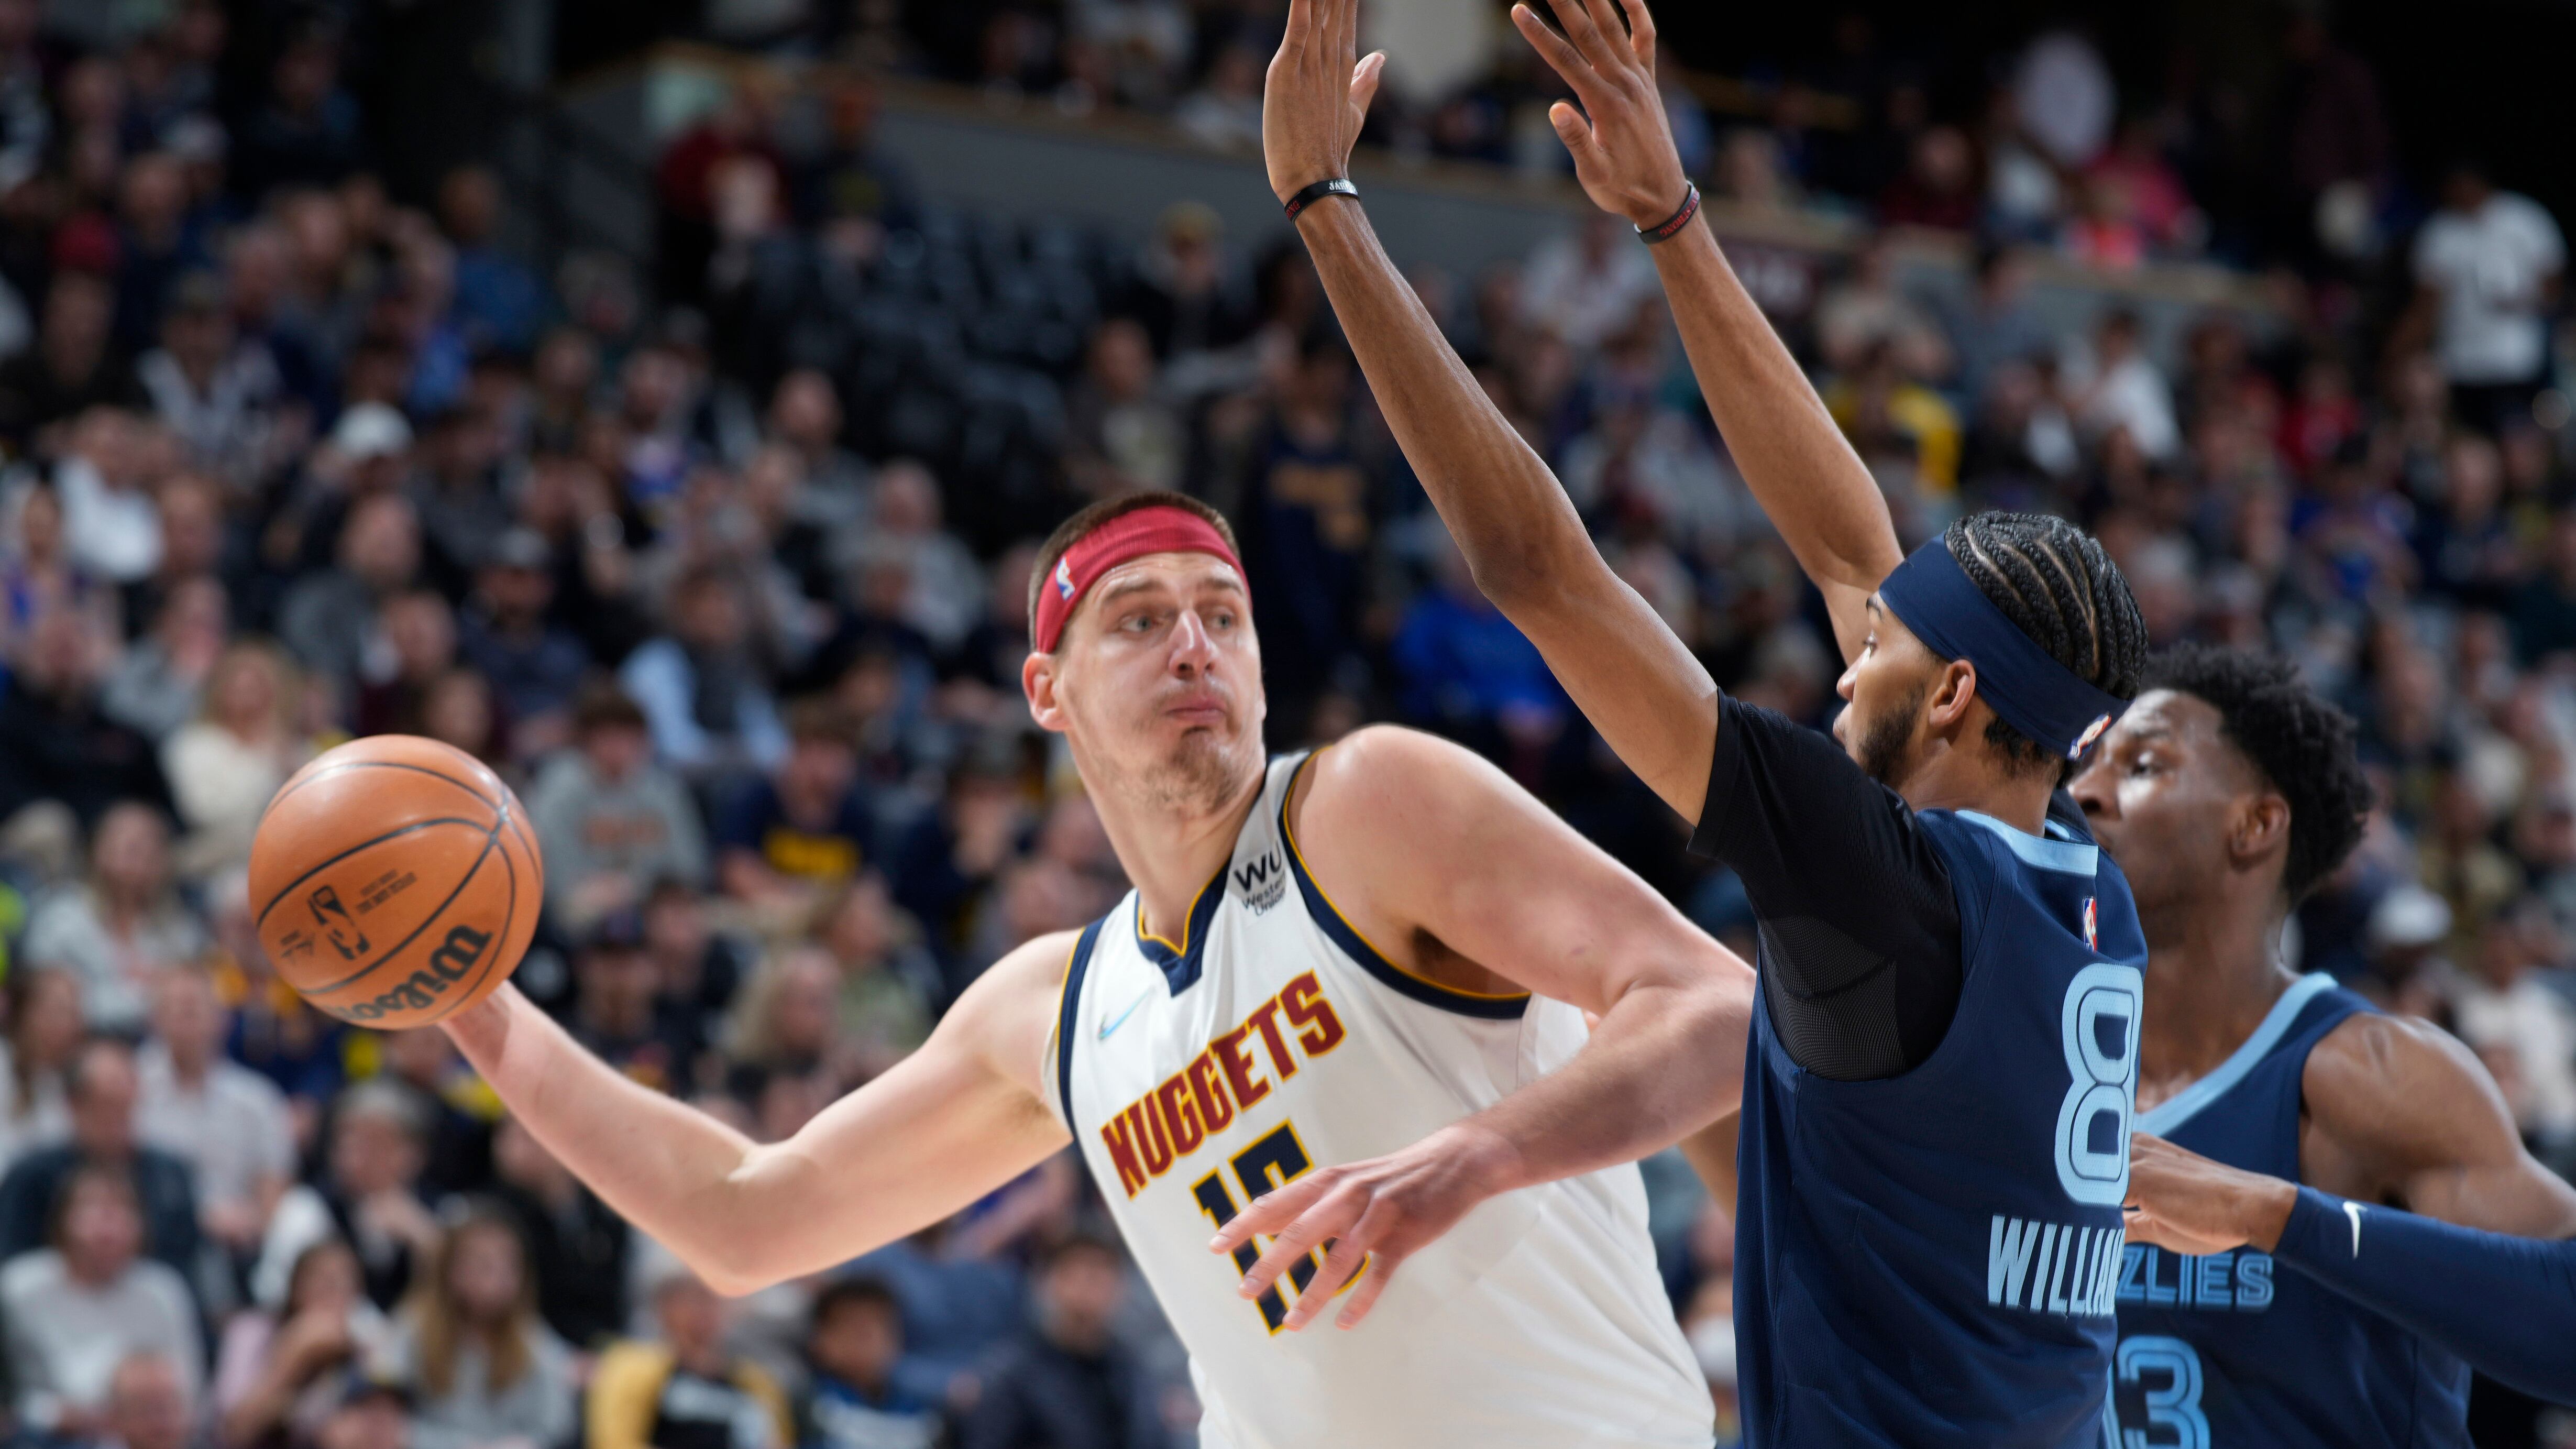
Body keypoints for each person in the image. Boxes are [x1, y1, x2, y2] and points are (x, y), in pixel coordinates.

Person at [433, 488, 1756, 1448]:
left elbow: (1715, 1005)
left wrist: (1474, 1155)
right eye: (1137, 621)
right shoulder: (1051, 1011)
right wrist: (472, 1007)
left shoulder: (1366, 805)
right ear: (1045, 692)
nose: (1193, 645)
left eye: (1222, 616)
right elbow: (741, 1219)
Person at [1277, 3, 2148, 1443]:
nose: (1842, 668)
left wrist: (1323, 209)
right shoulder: (2079, 887)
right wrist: (1668, 215)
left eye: (1877, 650)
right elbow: (1847, 547)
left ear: (1953, 695)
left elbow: (1538, 574)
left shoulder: (1878, 885)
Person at [2069, 644, 2576, 1440]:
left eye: (2142, 764)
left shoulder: (2368, 1072)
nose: (2083, 792)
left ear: (2255, 824)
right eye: (2085, 765)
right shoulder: (2046, 1074)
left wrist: (2279, 1216)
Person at [0, 1162, 203, 1434]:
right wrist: (53, 1415)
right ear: (62, 1219)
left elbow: (191, 1390)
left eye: (122, 1209)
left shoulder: (163, 1290)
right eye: (93, 1209)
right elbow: (13, 1394)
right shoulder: (19, 1288)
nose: (108, 1225)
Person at [0, 1039, 202, 1280]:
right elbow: (12, 1261)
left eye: (125, 1104)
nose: (117, 1118)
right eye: (105, 1104)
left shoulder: (170, 1174)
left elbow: (186, 1263)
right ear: (73, 1104)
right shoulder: (31, 1177)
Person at [380, 1206, 578, 1449]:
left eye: (510, 1265)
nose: (500, 1277)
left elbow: (557, 1421)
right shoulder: (413, 1328)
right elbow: (387, 1423)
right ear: (452, 1269)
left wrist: (528, 1442)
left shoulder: (530, 1335)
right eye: (485, 1264)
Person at [136, 965, 296, 1262]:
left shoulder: (258, 1099)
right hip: (152, 1242)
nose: (187, 1020)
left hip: (242, 1246)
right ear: (154, 1020)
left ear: (223, 1020)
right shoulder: (129, 1089)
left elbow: (274, 1181)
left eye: (195, 1009)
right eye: (176, 1009)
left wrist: (255, 1221)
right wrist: (200, 1219)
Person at [957, 1234, 1162, 1449]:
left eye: (1102, 1276)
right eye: (1080, 1276)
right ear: (1048, 1283)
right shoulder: (1013, 1371)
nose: (1090, 1290)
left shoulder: (1129, 1368)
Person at [21, 801, 205, 1031]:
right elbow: (45, 1001)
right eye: (133, 846)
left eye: (154, 846)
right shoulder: (62, 918)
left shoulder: (180, 929)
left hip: (155, 1046)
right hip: (77, 1041)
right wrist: (144, 995)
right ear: (100, 850)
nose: (145, 855)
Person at [213, 1238, 396, 1449]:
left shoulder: (363, 1352)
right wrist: (295, 1351)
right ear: (296, 1286)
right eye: (325, 1281)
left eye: (347, 1283)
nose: (336, 1294)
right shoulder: (252, 1331)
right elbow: (233, 1432)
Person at [587, 1267, 791, 1449]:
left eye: (713, 1299)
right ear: (665, 1307)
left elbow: (781, 1440)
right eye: (694, 1299)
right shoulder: (631, 1367)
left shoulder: (756, 1382)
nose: (705, 1310)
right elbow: (613, 1443)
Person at [796, 1278, 940, 1449]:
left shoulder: (924, 1415)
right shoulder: (806, 1407)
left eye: (880, 1324)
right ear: (819, 1341)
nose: (869, 1336)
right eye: (854, 1327)